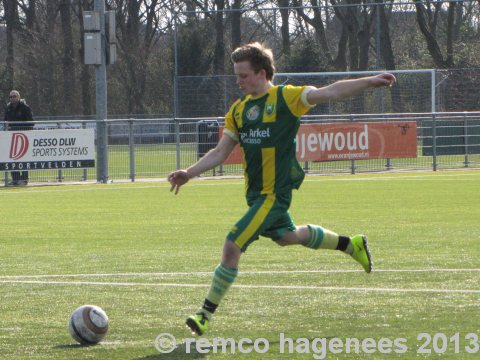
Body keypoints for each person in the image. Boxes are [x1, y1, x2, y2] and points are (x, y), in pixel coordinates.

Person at [167, 42, 396, 336]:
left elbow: (331, 92)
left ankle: (204, 314)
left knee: (231, 246)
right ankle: (350, 244)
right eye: (237, 75)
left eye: (244, 75)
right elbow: (221, 151)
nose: (239, 82)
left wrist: (369, 83)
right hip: (255, 196)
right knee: (288, 237)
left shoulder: (286, 98)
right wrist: (189, 172)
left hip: (273, 195)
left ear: (262, 74)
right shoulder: (238, 110)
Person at [4, 90, 34, 185]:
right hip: (11, 138)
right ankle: (15, 179)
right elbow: (5, 122)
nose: (12, 98)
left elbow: (31, 123)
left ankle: (24, 179)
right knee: (13, 158)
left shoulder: (25, 108)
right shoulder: (8, 108)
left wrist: (24, 132)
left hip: (23, 138)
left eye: (14, 96)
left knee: (24, 159)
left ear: (19, 97)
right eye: (11, 97)